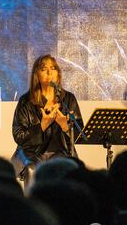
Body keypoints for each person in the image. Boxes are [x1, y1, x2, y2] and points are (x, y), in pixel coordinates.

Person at [11, 54, 83, 185]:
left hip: (61, 152)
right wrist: (42, 126)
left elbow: (80, 134)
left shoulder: (68, 99)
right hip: (32, 153)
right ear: (36, 75)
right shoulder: (25, 101)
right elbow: (19, 136)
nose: (49, 72)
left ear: (58, 74)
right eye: (44, 69)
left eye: (53, 68)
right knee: (31, 168)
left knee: (64, 169)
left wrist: (65, 126)